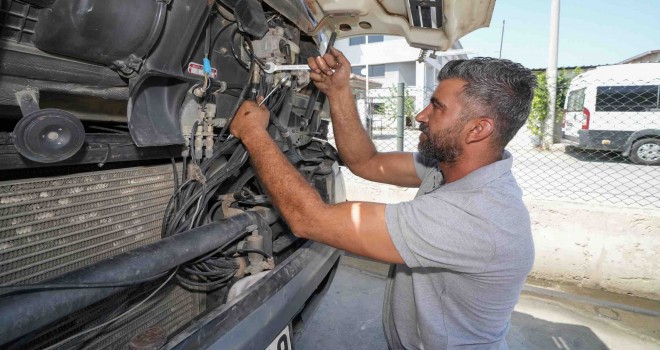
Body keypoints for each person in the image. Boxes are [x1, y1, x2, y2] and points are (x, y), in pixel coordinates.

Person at [229, 47, 537, 350]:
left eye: (437, 107)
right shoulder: (451, 166)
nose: (420, 115)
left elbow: (309, 219)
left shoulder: (476, 217)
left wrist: (254, 134)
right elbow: (367, 161)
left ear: (478, 129)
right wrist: (338, 91)